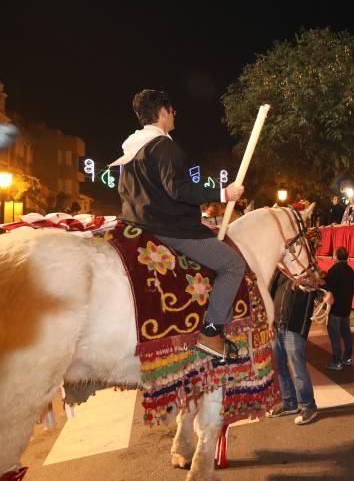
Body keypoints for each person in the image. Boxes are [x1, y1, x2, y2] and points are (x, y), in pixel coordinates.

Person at [113, 89, 245, 357]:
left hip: (138, 224)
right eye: (172, 111)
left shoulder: (131, 152)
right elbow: (178, 190)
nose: (174, 115)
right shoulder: (164, 146)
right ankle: (211, 332)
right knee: (233, 264)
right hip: (169, 228)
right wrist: (223, 194)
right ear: (163, 112)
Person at [267, 270, 319, 425]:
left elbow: (320, 288)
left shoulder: (309, 274)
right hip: (277, 326)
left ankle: (308, 406)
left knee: (297, 370)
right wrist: (270, 322)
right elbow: (270, 295)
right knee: (279, 367)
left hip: (295, 329)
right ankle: (289, 402)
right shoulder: (279, 272)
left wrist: (327, 295)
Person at [324, 246, 354, 371]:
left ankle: (336, 361)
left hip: (335, 309)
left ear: (336, 256)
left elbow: (327, 287)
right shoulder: (351, 271)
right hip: (346, 308)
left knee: (335, 336)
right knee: (346, 333)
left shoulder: (334, 270)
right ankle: (347, 357)